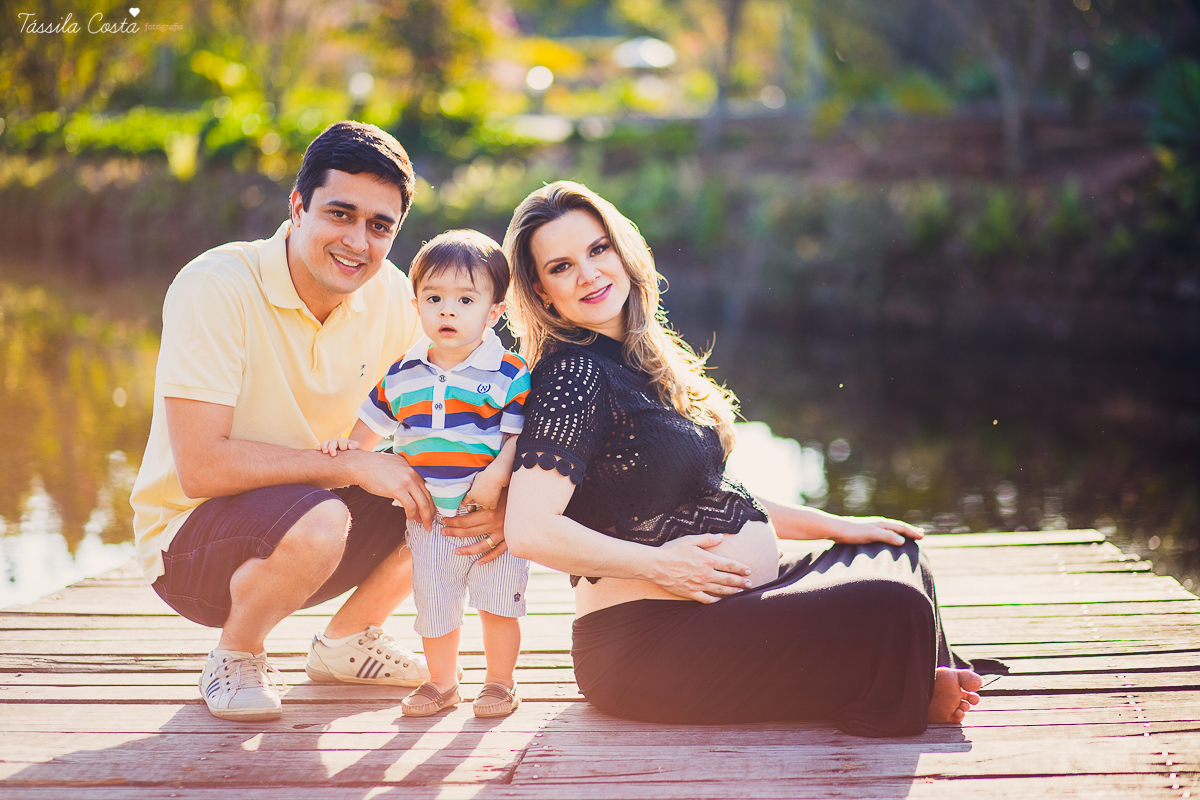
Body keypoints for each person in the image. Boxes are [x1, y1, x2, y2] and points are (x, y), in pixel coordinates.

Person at [501, 181, 986, 737]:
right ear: (540, 291)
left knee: (894, 551)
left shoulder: (639, 366)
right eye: (561, 267)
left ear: (621, 251)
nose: (588, 274)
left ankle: (917, 679)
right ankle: (913, 687)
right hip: (647, 647)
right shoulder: (573, 375)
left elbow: (722, 495)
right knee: (891, 604)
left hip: (720, 613)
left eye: (597, 249)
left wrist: (839, 525)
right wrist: (659, 565)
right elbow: (530, 530)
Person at [129, 122, 507, 722]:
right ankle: (237, 653)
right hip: (192, 548)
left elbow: (478, 381)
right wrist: (356, 462)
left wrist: (504, 483)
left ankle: (347, 641)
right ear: (299, 207)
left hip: (316, 517)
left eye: (379, 226)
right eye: (340, 214)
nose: (358, 241)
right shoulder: (216, 286)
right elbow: (199, 467)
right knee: (319, 517)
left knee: (452, 485)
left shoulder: (393, 296)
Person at [319, 230, 531, 719]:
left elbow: (519, 440)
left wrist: (499, 486)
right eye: (434, 298)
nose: (448, 311)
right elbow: (368, 432)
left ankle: (500, 684)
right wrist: (346, 448)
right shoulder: (403, 373)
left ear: (493, 312)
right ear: (416, 305)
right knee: (434, 609)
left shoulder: (507, 372)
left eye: (464, 299)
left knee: (499, 605)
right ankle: (442, 684)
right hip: (428, 519)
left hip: (488, 519)